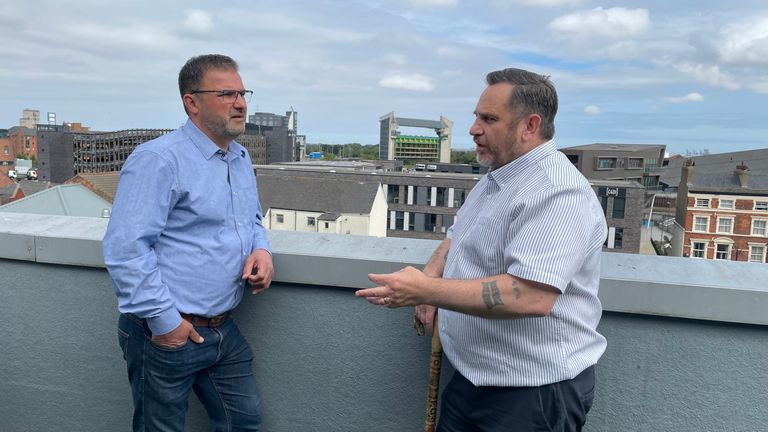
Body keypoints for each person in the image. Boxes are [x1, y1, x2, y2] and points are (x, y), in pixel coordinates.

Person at [356, 68, 607, 431]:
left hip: (529, 396)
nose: (473, 128)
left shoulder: (558, 193)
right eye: (476, 116)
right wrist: (431, 279)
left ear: (529, 125)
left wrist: (426, 291)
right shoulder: (497, 179)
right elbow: (456, 237)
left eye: (488, 118)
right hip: (475, 382)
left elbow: (530, 296)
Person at [103, 54, 273, 431]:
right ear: (191, 102)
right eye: (227, 93)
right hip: (166, 331)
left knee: (243, 422)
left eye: (242, 92)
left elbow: (252, 219)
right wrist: (166, 324)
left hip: (223, 329)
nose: (241, 103)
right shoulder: (159, 160)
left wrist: (261, 248)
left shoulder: (240, 158)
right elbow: (125, 249)